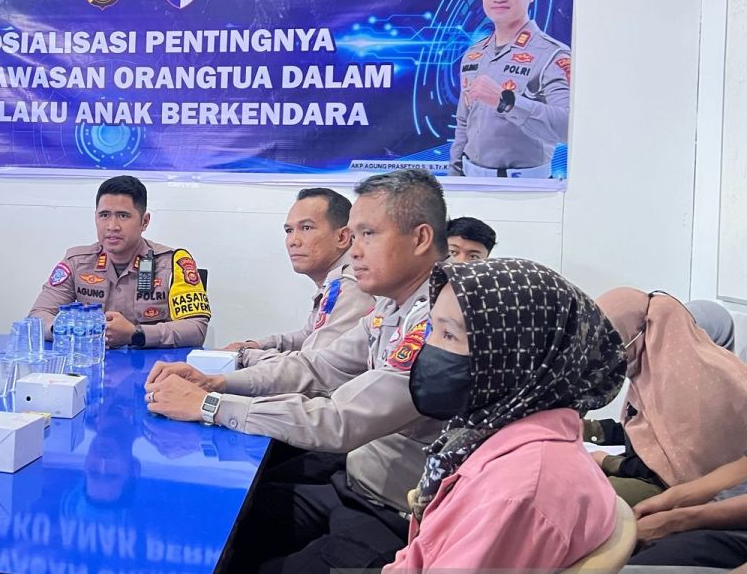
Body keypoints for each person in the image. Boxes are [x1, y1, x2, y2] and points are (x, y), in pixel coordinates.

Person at [146, 168, 446, 572]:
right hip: (354, 482)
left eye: (368, 234)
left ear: (421, 238)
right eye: (354, 235)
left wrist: (209, 405)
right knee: (218, 521)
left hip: (394, 514)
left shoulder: (440, 321)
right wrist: (218, 381)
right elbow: (317, 365)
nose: (355, 249)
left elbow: (340, 420)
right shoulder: (391, 306)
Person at [385, 258, 626, 572]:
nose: (427, 349)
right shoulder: (486, 436)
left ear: (516, 357)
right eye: (434, 329)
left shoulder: (516, 493)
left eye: (449, 335)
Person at [587, 288, 747, 506]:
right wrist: (590, 429)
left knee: (584, 499)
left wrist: (608, 462)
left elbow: (670, 468)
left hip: (676, 488)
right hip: (655, 477)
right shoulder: (652, 374)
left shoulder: (693, 383)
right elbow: (645, 434)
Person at [29, 175, 210, 349]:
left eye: (123, 216)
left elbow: (196, 328)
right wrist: (70, 329)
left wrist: (136, 334)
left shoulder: (172, 265)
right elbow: (37, 317)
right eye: (104, 215)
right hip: (93, 361)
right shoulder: (76, 262)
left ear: (144, 221)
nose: (112, 226)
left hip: (155, 367)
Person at [450, 0, 571, 178]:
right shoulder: (474, 54)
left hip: (526, 188)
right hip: (471, 182)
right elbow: (464, 123)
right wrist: (454, 176)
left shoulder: (552, 54)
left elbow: (569, 127)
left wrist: (506, 101)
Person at [222, 187, 374, 367]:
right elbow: (310, 334)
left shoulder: (352, 285)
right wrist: (258, 345)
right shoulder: (335, 281)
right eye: (288, 230)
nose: (293, 241)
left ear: (342, 237)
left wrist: (244, 356)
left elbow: (313, 367)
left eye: (306, 228)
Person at [629, 453, 747, 568]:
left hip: (727, 535)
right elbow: (742, 467)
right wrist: (671, 498)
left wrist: (676, 521)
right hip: (709, 511)